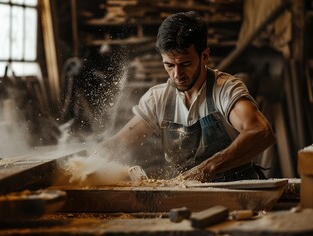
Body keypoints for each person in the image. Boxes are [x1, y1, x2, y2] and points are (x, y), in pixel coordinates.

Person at [95, 11, 276, 182]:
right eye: (169, 65)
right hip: (185, 194)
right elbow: (119, 144)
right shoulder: (158, 99)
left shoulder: (225, 90)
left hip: (238, 193)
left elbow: (261, 132)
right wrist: (85, 163)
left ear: (204, 56)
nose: (176, 74)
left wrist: (207, 169)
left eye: (185, 64)